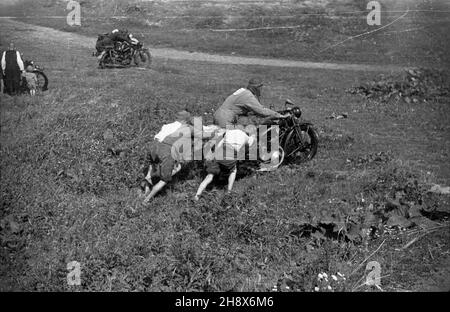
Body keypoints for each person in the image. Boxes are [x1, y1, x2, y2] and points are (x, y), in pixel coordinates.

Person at [141, 110, 202, 204]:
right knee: (165, 178)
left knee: (152, 167)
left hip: (153, 145)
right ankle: (146, 200)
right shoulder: (185, 127)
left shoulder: (167, 125)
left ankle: (147, 186)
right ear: (186, 120)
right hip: (166, 149)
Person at [194, 128, 256, 200]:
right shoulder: (245, 136)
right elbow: (248, 145)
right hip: (231, 153)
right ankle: (229, 192)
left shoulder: (229, 132)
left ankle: (197, 195)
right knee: (233, 171)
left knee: (209, 176)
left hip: (220, 153)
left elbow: (219, 145)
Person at [213, 78, 289, 128]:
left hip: (220, 115)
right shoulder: (248, 96)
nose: (261, 89)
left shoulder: (244, 91)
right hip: (225, 119)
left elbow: (253, 111)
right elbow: (262, 111)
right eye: (260, 87)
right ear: (256, 88)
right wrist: (279, 115)